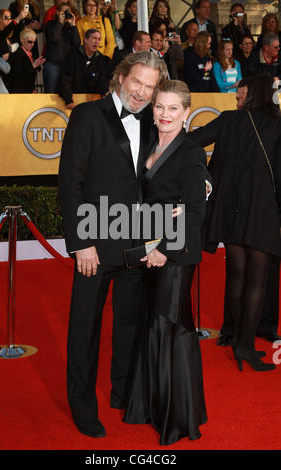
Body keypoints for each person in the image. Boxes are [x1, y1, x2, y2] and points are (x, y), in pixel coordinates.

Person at [58, 51, 167, 438]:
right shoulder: (88, 117)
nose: (140, 92)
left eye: (149, 87)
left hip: (137, 245)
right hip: (94, 245)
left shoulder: (154, 123)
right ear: (122, 77)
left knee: (130, 326)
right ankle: (83, 405)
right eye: (137, 82)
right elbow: (70, 185)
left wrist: (199, 182)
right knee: (84, 328)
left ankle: (124, 394)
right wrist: (80, 242)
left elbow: (164, 171)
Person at [123, 79, 208, 445]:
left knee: (172, 326)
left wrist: (165, 249)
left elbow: (194, 211)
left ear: (187, 112)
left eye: (173, 108)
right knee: (155, 324)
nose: (164, 114)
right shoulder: (150, 141)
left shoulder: (190, 151)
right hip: (151, 247)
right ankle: (152, 406)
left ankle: (178, 417)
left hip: (175, 254)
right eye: (160, 106)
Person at [189, 74, 281, 371]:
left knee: (237, 274)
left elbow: (192, 142)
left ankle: (233, 334)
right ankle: (245, 346)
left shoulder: (228, 119)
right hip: (262, 208)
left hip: (229, 207)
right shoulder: (277, 124)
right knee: (257, 279)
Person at [59, 28, 110, 108]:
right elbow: (65, 78)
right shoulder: (73, 54)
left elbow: (102, 81)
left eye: (99, 39)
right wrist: (68, 100)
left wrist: (106, 93)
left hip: (91, 102)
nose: (97, 41)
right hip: (73, 101)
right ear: (85, 40)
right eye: (94, 38)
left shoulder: (100, 59)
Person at [43, 2, 80, 93]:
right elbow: (54, 38)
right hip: (53, 65)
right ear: (57, 13)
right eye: (63, 11)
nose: (66, 14)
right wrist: (60, 22)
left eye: (68, 11)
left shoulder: (71, 27)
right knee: (50, 93)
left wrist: (73, 25)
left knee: (66, 94)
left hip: (67, 67)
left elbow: (77, 44)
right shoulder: (51, 24)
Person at [7, 27, 45, 93]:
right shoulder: (17, 54)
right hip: (18, 93)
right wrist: (33, 65)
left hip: (26, 92)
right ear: (22, 40)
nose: (32, 45)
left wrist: (33, 89)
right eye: (30, 42)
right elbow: (18, 75)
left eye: (34, 42)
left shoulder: (29, 54)